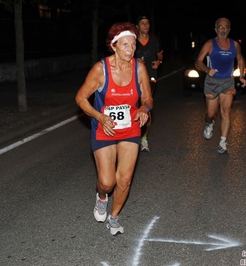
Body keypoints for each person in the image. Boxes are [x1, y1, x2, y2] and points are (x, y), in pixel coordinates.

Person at [75, 22, 153, 235]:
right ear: (114, 45)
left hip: (130, 128)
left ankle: (115, 217)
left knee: (125, 179)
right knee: (107, 182)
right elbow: (80, 98)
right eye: (125, 45)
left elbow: (147, 97)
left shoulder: (139, 68)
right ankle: (101, 197)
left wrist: (144, 108)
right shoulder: (101, 69)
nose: (131, 49)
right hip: (105, 128)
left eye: (134, 44)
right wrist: (99, 116)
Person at [195, 17, 246, 154]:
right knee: (211, 113)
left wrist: (241, 75)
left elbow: (240, 59)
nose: (223, 30)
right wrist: (207, 70)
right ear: (216, 29)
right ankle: (209, 123)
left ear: (229, 30)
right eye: (220, 27)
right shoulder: (210, 44)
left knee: (226, 111)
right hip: (212, 82)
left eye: (225, 27)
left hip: (227, 82)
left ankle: (223, 142)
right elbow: (198, 62)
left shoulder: (235, 45)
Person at [134, 15, 164, 152]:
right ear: (137, 27)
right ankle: (131, 136)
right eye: (142, 23)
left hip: (150, 77)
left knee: (146, 106)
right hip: (134, 78)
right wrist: (135, 62)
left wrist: (159, 62)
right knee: (133, 107)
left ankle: (144, 138)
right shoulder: (132, 42)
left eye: (147, 23)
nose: (146, 25)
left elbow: (160, 55)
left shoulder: (155, 41)